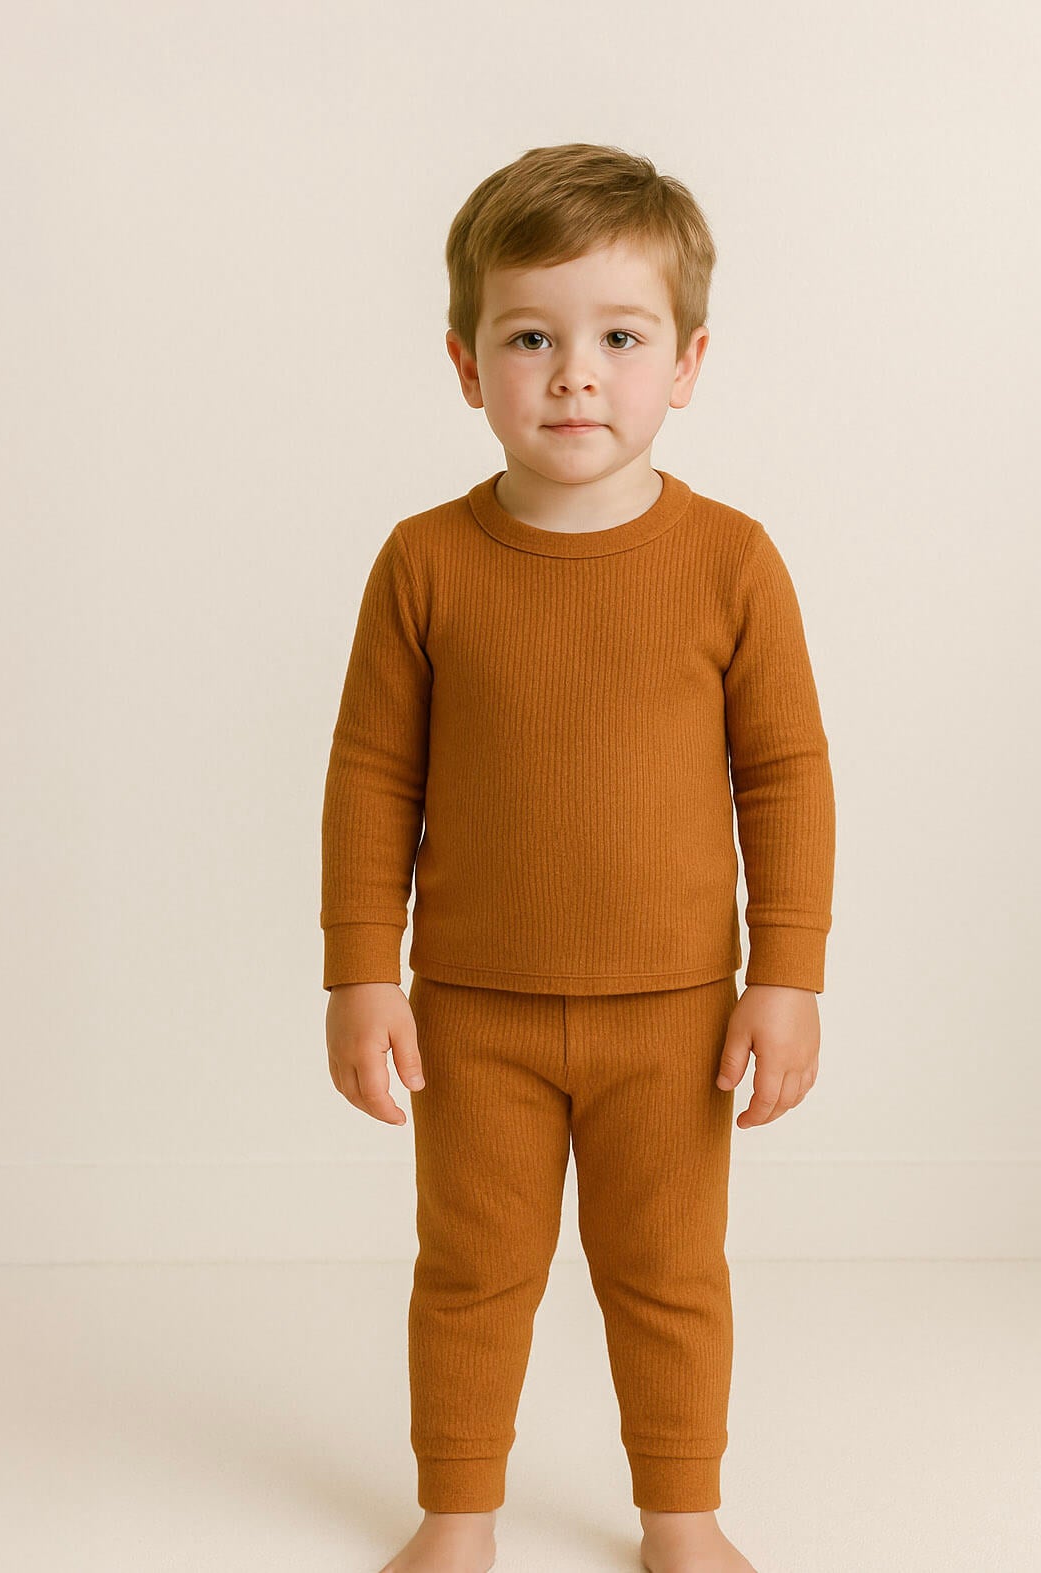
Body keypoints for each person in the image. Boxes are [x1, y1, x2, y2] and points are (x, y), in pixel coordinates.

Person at [321, 141, 835, 1573]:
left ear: (687, 362)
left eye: (619, 338)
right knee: (471, 1275)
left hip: (675, 1015)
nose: (573, 378)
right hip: (471, 1011)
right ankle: (456, 1516)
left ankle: (682, 1518)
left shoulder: (732, 560)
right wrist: (360, 972)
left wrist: (787, 974)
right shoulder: (423, 563)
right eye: (530, 338)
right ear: (465, 362)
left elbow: (785, 775)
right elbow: (371, 777)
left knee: (668, 1278)